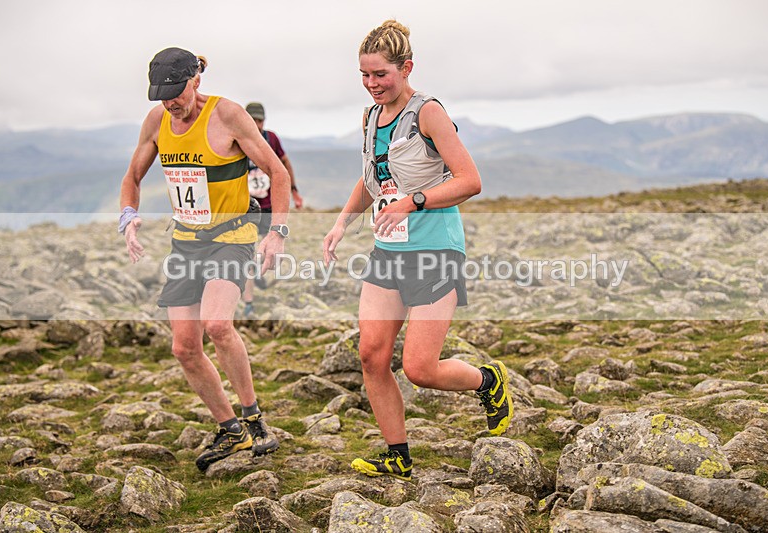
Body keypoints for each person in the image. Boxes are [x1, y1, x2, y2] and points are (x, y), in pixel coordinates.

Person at [322, 20, 513, 481]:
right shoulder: (371, 118)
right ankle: (397, 455)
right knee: (371, 355)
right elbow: (374, 180)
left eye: (381, 75)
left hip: (435, 251)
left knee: (421, 369)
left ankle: (488, 382)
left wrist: (415, 201)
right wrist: (341, 223)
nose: (372, 85)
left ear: (406, 68)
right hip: (387, 251)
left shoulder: (428, 113)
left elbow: (470, 180)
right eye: (364, 76)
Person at [118, 47, 291, 471]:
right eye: (162, 95)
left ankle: (254, 421)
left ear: (195, 81)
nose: (171, 102)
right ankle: (229, 429)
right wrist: (128, 215)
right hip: (186, 242)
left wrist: (277, 233)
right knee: (184, 347)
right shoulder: (158, 121)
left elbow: (278, 173)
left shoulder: (228, 115)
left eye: (176, 92)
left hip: (232, 235)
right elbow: (132, 176)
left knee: (217, 324)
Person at [241, 101, 302, 318]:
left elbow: (285, 164)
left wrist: (293, 191)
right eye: (252, 120)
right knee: (246, 254)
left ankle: (258, 273)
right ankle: (249, 303)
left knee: (268, 249)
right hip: (245, 208)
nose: (256, 124)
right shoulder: (237, 139)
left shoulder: (271, 139)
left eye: (259, 120)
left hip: (269, 207)